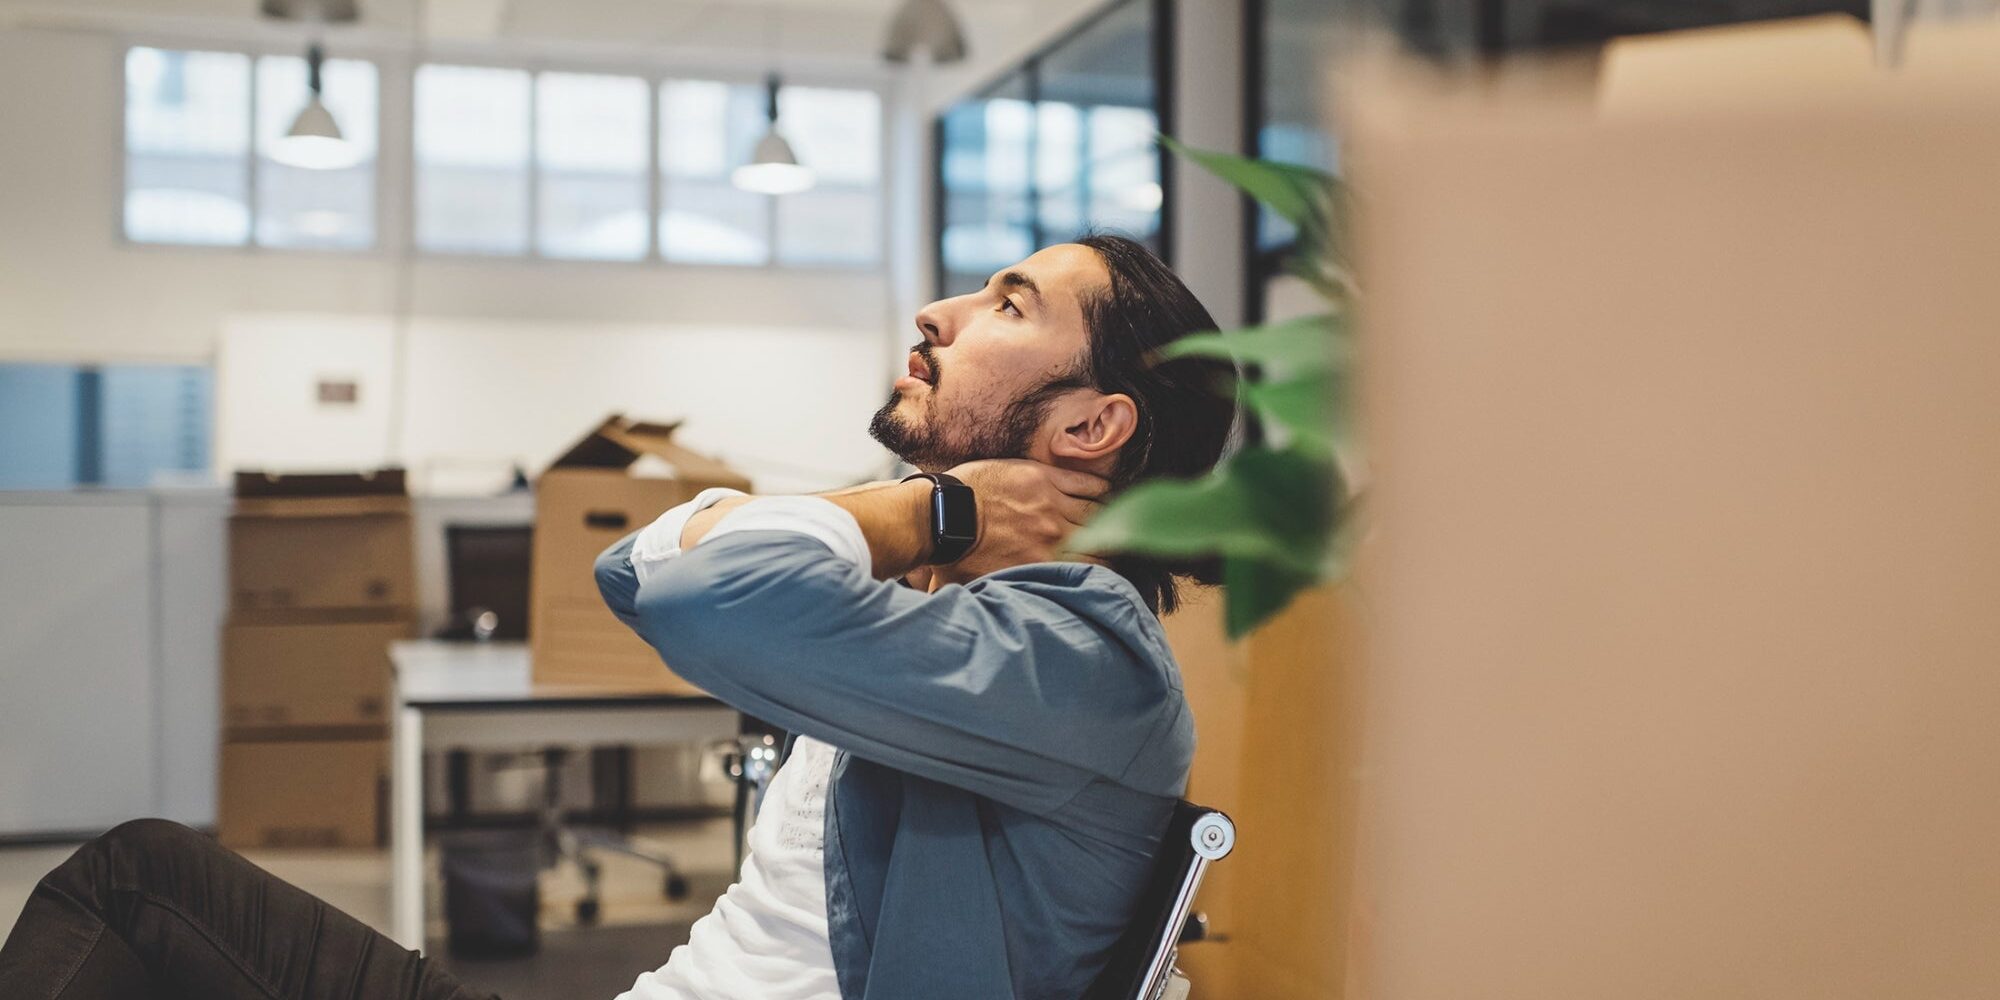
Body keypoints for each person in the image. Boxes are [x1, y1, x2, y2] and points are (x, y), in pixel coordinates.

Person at [0, 234, 1237, 1000]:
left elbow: (697, 585)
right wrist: (938, 522)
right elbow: (635, 569)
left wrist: (935, 512)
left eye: (1008, 306)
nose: (938, 311)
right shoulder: (977, 616)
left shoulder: (1077, 660)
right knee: (145, 879)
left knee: (134, 889)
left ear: (1090, 425)